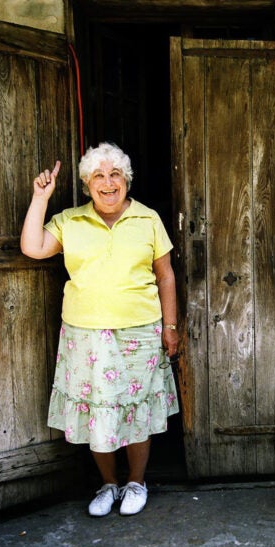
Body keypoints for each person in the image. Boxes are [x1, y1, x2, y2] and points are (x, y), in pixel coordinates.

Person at [20, 141, 180, 517]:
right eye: (98, 176)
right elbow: (32, 247)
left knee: (135, 410)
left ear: (127, 179)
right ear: (86, 184)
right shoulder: (70, 220)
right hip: (86, 334)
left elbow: (166, 275)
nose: (108, 183)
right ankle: (109, 485)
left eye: (115, 175)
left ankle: (137, 482)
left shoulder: (148, 219)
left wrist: (169, 326)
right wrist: (40, 198)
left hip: (139, 330)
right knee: (99, 411)